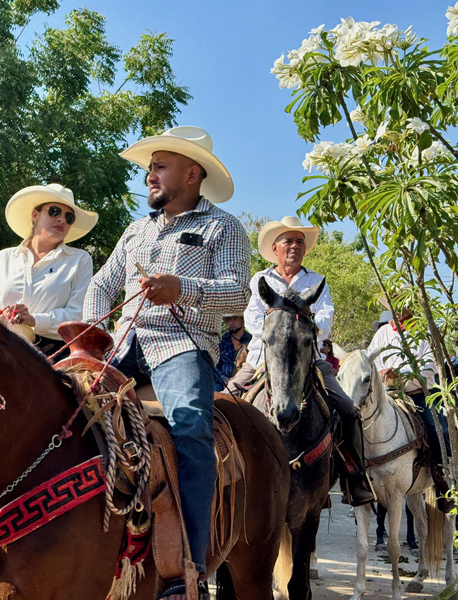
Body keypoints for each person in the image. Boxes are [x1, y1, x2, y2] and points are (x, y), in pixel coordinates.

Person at [84, 125, 250, 599]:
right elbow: (101, 285)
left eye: (160, 167)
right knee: (64, 414)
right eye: (150, 168)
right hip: (124, 343)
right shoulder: (136, 229)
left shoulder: (223, 227)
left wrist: (183, 288)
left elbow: (238, 291)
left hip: (179, 344)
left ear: (192, 173)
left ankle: (190, 568)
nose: (150, 177)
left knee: (190, 429)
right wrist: (95, 334)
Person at [227, 216, 374, 507]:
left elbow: (325, 320)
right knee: (224, 400)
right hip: (261, 359)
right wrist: (284, 325)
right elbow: (252, 320)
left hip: (310, 359)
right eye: (288, 241)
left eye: (299, 242)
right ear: (275, 248)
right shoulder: (260, 281)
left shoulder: (316, 282)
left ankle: (354, 478)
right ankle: (221, 472)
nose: (294, 246)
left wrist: (298, 326)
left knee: (347, 409)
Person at [0, 183, 97, 359]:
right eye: (55, 211)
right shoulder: (3, 258)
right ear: (35, 215)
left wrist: (33, 319)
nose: (62, 220)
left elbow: (78, 315)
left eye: (69, 217)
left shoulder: (80, 259)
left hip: (54, 355)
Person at [367, 299, 455, 512]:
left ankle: (441, 480)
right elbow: (372, 359)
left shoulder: (423, 333)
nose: (398, 309)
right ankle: (355, 479)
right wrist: (379, 372)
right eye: (394, 304)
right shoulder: (383, 333)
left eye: (402, 304)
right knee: (358, 421)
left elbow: (429, 365)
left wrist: (401, 374)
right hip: (386, 393)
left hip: (417, 393)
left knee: (438, 429)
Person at [214, 312, 251, 391]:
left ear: (242, 321)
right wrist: (224, 379)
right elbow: (215, 365)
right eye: (229, 320)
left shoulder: (250, 340)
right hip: (222, 382)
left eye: (235, 319)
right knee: (214, 397)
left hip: (244, 380)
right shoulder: (221, 340)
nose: (231, 322)